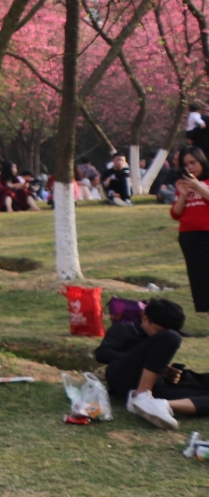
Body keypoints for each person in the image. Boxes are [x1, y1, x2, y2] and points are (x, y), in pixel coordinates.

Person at [96, 298, 209, 430]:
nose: (162, 335)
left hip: (155, 386)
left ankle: (161, 405)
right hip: (124, 377)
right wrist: (146, 361)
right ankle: (141, 396)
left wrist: (169, 374)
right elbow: (102, 353)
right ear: (145, 319)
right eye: (159, 331)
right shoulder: (124, 329)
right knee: (171, 337)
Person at [172, 149, 209, 317]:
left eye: (193, 162)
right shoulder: (183, 185)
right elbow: (175, 214)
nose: (190, 167)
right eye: (186, 164)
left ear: (202, 161)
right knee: (201, 281)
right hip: (189, 237)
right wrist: (184, 195)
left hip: (206, 234)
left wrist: (198, 186)